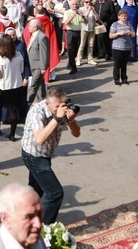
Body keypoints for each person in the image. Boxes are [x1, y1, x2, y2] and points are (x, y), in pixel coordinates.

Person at [21, 87, 81, 225]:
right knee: (55, 193)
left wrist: (71, 120)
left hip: (46, 154)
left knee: (36, 189)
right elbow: (40, 139)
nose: (60, 109)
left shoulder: (63, 109)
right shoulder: (37, 112)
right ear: (47, 104)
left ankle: (23, 216)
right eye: (56, 107)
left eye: (62, 105)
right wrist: (56, 118)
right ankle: (44, 231)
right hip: (33, 155)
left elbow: (77, 133)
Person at [0, 183, 44, 249]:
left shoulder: (32, 236)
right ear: (5, 218)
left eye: (39, 214)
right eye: (28, 217)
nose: (38, 224)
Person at [0, 34, 26, 141]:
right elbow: (21, 70)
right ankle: (12, 134)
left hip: (2, 87)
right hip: (16, 86)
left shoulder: (0, 59)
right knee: (13, 110)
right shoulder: (19, 56)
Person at [24, 19, 48, 104]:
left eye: (30, 26)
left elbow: (44, 53)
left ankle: (27, 102)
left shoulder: (41, 37)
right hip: (33, 64)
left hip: (38, 66)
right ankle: (42, 102)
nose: (29, 28)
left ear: (35, 27)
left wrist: (43, 67)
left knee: (33, 85)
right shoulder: (34, 35)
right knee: (40, 85)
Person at [110, 9, 136, 85]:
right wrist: (118, 33)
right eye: (122, 16)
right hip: (117, 47)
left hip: (127, 47)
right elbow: (111, 36)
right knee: (117, 64)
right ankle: (116, 79)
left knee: (124, 64)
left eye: (125, 16)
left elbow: (134, 34)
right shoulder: (115, 24)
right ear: (119, 17)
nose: (124, 17)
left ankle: (124, 78)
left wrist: (130, 33)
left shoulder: (129, 24)